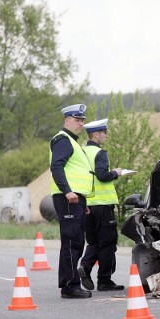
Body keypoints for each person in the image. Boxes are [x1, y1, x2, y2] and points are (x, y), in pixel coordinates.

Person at [50, 104, 95, 299]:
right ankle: (70, 286)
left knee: (75, 241)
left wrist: (81, 203)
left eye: (82, 121)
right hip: (68, 197)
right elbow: (56, 167)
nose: (81, 124)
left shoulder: (73, 142)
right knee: (71, 242)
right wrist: (67, 192)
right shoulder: (63, 139)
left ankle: (69, 284)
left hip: (76, 199)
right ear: (67, 120)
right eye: (77, 120)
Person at [78, 119, 125, 292]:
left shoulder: (81, 153)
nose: (107, 135)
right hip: (102, 205)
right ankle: (104, 280)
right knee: (108, 242)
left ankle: (85, 266)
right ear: (96, 134)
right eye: (105, 132)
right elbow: (102, 176)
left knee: (94, 242)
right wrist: (116, 173)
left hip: (86, 205)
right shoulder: (99, 153)